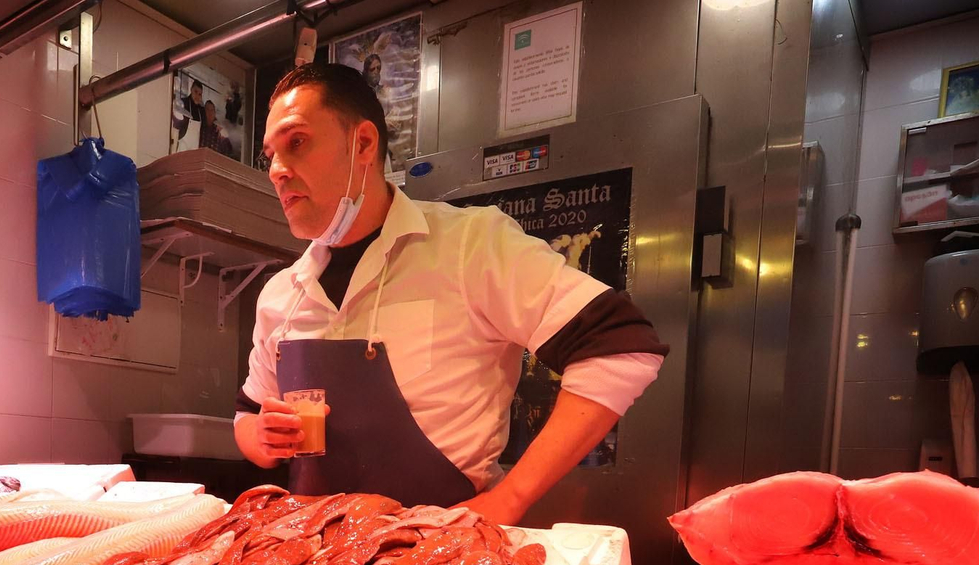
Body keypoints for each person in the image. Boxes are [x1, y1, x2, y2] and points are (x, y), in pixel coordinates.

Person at [234, 63, 667, 523]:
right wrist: (261, 438)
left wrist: (511, 498)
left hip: (443, 550)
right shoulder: (282, 294)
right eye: (270, 156)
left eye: (296, 143)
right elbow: (247, 411)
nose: (277, 171)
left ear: (362, 143)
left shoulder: (471, 245)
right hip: (316, 560)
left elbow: (620, 344)